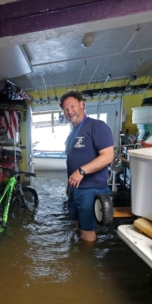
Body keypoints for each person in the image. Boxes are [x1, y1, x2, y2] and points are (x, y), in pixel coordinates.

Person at [60, 90, 114, 242]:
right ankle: (78, 258)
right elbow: (72, 160)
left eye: (72, 106)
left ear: (82, 105)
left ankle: (87, 262)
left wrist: (81, 171)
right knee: (77, 226)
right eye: (65, 109)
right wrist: (68, 185)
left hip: (91, 188)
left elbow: (108, 156)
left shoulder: (97, 126)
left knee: (87, 231)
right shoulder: (72, 134)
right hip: (75, 188)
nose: (69, 111)